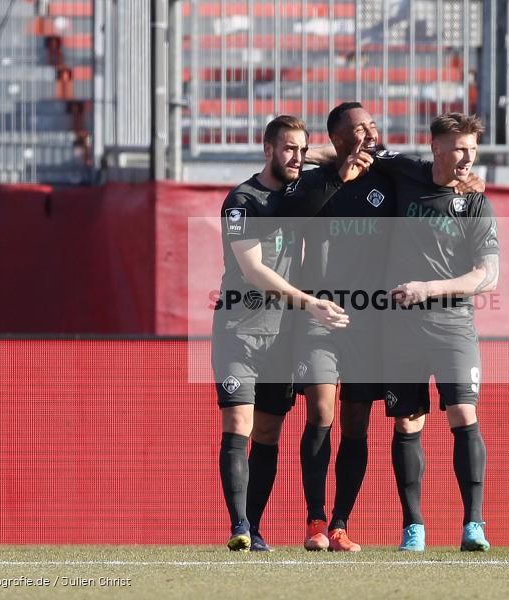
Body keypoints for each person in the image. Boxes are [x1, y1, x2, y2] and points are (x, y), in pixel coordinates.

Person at [213, 115, 372, 552]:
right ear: (267, 150)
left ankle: (255, 529)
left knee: (267, 433)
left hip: (281, 334)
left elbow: (323, 158)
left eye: (303, 150)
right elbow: (254, 270)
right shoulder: (242, 201)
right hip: (240, 328)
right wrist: (310, 302)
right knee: (239, 423)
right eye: (288, 149)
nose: (298, 157)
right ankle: (240, 526)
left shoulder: (299, 188)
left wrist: (345, 150)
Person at [371, 113, 499, 552]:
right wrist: (306, 152)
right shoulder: (405, 172)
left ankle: (474, 526)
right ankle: (414, 528)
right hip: (400, 329)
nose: (468, 158)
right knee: (407, 422)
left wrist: (430, 288)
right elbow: (354, 153)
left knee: (463, 415)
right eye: (460, 148)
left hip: (452, 325)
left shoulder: (477, 204)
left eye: (473, 149)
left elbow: (488, 274)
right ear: (437, 148)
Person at [292, 102, 396, 552]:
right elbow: (294, 209)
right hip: (319, 316)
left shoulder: (389, 178)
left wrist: (472, 181)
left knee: (357, 424)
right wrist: (337, 171)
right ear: (337, 138)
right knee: (321, 411)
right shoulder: (315, 182)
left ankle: (339, 525)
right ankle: (314, 521)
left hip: (369, 321)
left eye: (372, 124)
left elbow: (432, 172)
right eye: (359, 128)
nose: (370, 132)